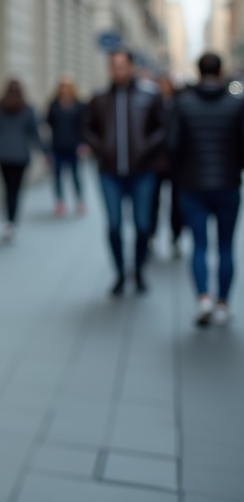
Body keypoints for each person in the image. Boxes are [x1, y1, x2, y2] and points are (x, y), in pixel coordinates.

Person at [168, 53, 244, 327]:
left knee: (198, 245)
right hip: (227, 185)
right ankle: (223, 304)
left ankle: (203, 299)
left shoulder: (183, 104)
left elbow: (173, 145)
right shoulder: (236, 104)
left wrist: (181, 173)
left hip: (192, 185)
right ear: (221, 72)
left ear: (199, 72)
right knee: (226, 246)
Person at [83, 49, 165, 295]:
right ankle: (119, 272)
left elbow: (163, 127)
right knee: (115, 225)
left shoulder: (150, 96)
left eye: (122, 66)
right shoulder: (99, 98)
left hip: (143, 172)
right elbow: (86, 128)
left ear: (131, 67)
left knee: (142, 225)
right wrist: (100, 148)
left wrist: (147, 149)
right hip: (109, 173)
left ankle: (138, 269)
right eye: (113, 66)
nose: (117, 70)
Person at [0, 80, 42, 241]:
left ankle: (7, 223)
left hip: (2, 154)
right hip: (20, 155)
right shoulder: (28, 108)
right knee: (16, 191)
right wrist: (44, 152)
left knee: (6, 190)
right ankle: (12, 223)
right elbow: (34, 133)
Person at [151, 74, 185, 256]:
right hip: (155, 162)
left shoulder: (180, 103)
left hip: (175, 163)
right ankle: (151, 236)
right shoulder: (152, 103)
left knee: (177, 203)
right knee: (152, 202)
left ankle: (176, 236)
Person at [46, 74, 86, 217]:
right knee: (57, 176)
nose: (65, 90)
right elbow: (48, 123)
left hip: (74, 146)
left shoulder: (79, 105)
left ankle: (79, 201)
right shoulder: (54, 105)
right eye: (63, 87)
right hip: (57, 145)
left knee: (76, 175)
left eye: (68, 87)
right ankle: (60, 202)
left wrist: (83, 143)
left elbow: (84, 126)